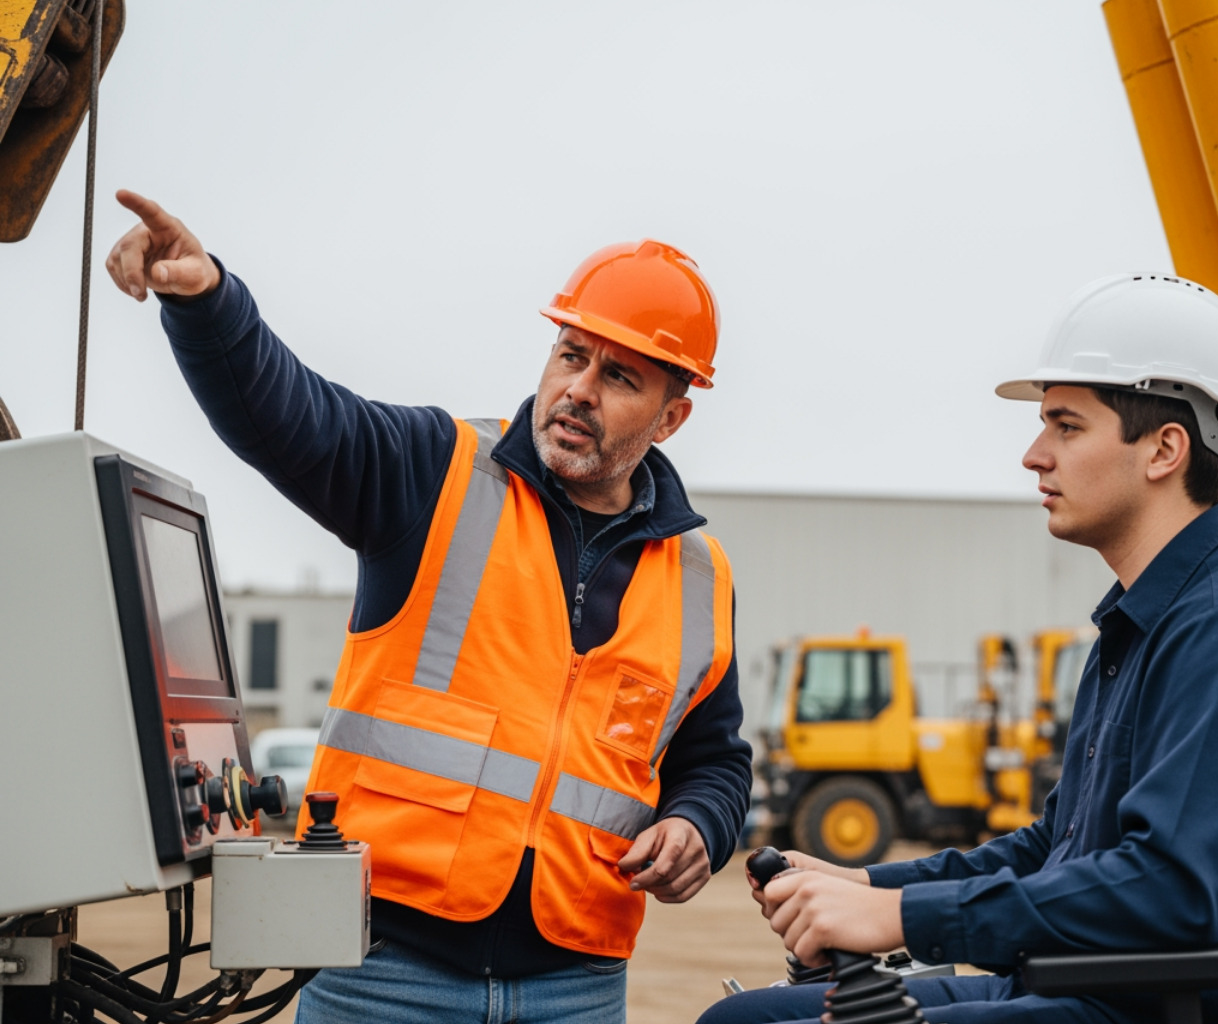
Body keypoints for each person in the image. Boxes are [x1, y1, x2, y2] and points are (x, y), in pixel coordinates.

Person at [105, 190, 753, 1024]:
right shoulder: (435, 474)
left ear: (672, 415)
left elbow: (715, 759)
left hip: (577, 989)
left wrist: (702, 823)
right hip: (382, 976)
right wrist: (207, 303)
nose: (579, 388)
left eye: (618, 375)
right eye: (570, 354)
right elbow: (293, 416)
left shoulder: (702, 579)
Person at [699, 273, 1218, 1024]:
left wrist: (903, 921)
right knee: (744, 1020)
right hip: (1090, 989)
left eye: (1066, 426)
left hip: (1163, 1008)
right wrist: (870, 887)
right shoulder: (1147, 624)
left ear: (1164, 450)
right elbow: (1057, 847)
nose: (1033, 455)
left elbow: (1174, 893)